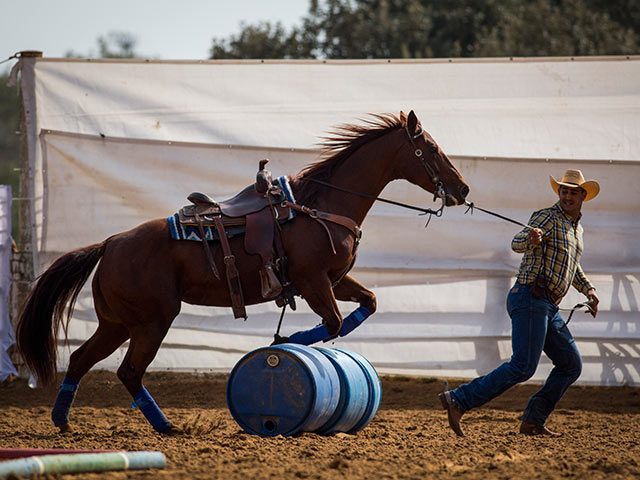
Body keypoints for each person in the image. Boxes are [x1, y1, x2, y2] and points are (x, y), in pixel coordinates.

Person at [439, 169, 600, 436]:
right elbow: (517, 242)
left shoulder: (576, 229)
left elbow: (572, 265)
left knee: (571, 365)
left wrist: (589, 290)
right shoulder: (546, 216)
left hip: (546, 305)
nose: (568, 195)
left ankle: (533, 420)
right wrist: (530, 239)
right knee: (523, 366)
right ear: (559, 193)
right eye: (564, 191)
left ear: (583, 196)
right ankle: (460, 399)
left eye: (573, 192)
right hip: (530, 297)